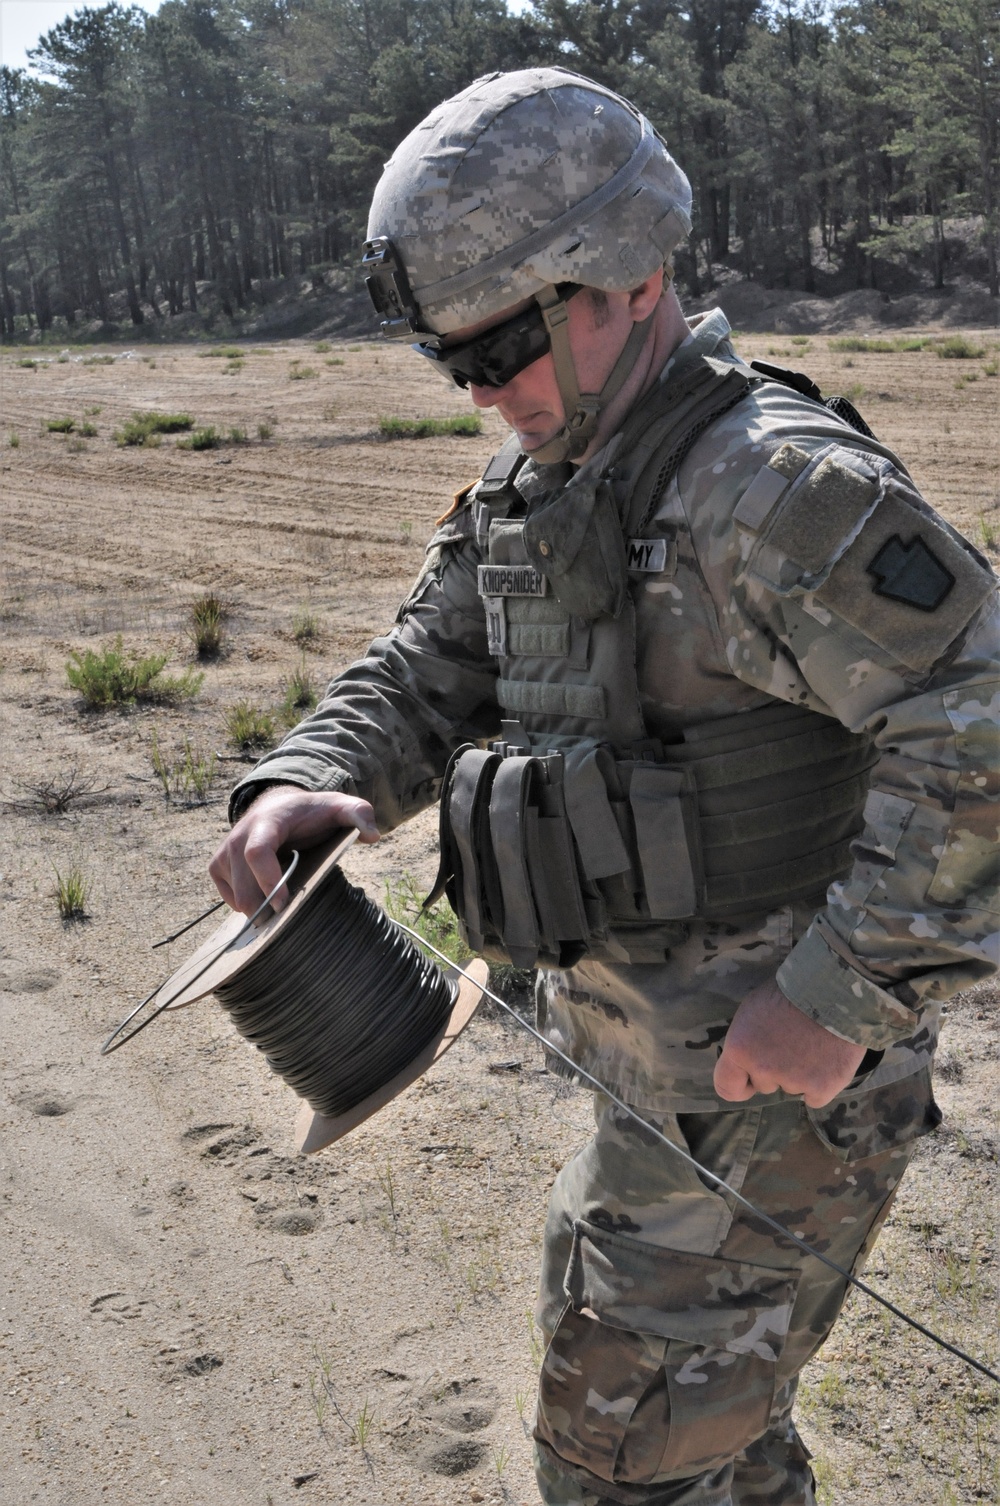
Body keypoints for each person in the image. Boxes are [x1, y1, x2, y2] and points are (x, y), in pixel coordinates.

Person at [209, 67, 998, 1506]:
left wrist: (837, 999)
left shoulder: (770, 488)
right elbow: (430, 655)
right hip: (654, 1079)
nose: (480, 389)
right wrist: (315, 776)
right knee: (700, 1450)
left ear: (627, 276)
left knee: (623, 1464)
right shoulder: (549, 479)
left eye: (501, 342)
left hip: (782, 1098)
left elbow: (984, 719)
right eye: (449, 362)